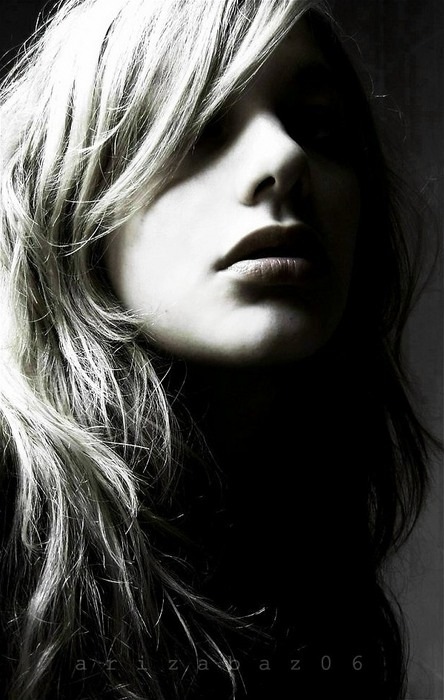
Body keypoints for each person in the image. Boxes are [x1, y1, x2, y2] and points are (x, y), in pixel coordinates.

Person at [0, 0, 438, 698]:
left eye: (320, 127)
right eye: (199, 122)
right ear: (69, 196)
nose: (286, 158)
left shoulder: (308, 553)